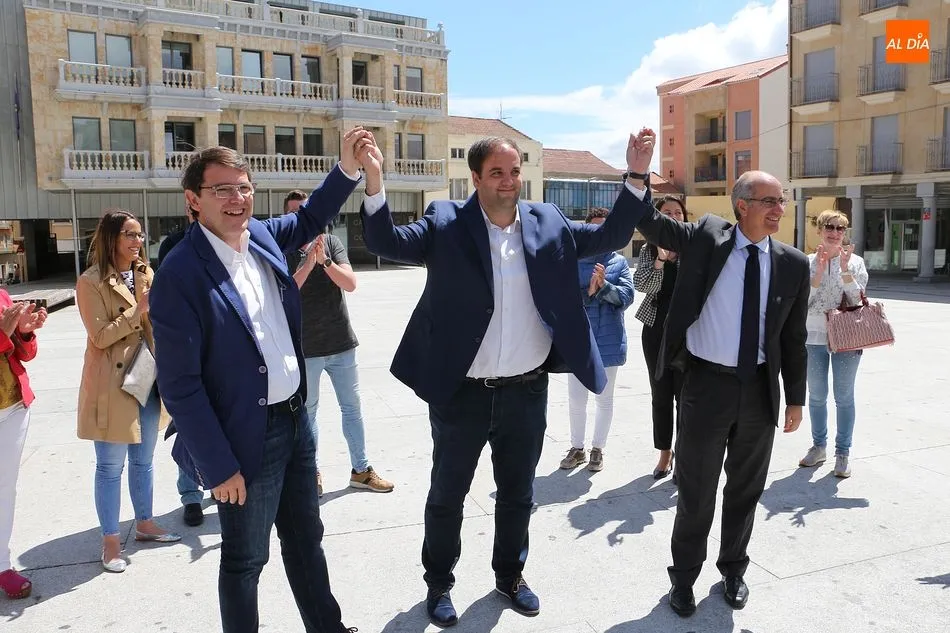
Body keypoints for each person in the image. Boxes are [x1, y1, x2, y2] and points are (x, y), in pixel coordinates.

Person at [358, 129, 656, 627]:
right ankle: (439, 582)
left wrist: (637, 175)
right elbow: (386, 241)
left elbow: (610, 236)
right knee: (447, 496)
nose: (509, 181)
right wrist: (373, 181)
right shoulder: (446, 221)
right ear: (475, 178)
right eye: (497, 172)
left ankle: (510, 576)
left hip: (526, 390)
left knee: (518, 494)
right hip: (462, 395)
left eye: (514, 171)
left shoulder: (548, 220)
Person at [149, 129, 372, 633]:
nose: (237, 199)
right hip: (245, 438)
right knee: (246, 559)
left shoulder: (263, 236)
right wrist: (218, 466)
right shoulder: (180, 274)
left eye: (244, 187)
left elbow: (311, 217)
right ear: (193, 199)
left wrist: (347, 168)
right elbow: (180, 386)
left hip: (296, 420)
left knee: (306, 538)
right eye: (222, 189)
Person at [633, 171, 810, 617]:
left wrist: (795, 398)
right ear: (742, 205)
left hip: (758, 391)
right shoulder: (707, 238)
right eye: (769, 201)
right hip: (705, 387)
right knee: (696, 491)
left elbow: (794, 338)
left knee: (746, 489)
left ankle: (733, 569)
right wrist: (637, 174)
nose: (780, 209)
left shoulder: (792, 263)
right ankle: (683, 578)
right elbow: (653, 224)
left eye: (782, 200)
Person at [77, 209, 181, 574]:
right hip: (113, 384)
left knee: (144, 460)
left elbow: (157, 323)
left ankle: (145, 523)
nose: (139, 242)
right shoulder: (90, 281)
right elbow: (100, 336)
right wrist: (140, 309)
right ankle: (110, 541)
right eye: (130, 235)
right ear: (111, 238)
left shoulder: (145, 273)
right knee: (110, 467)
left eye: (140, 235)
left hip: (147, 377)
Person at [283, 191, 394, 498]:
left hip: (341, 343)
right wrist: (309, 262)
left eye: (304, 211)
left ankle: (361, 470)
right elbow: (286, 293)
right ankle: (311, 472)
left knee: (352, 408)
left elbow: (350, 283)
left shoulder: (331, 243)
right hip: (306, 349)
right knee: (308, 413)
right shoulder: (283, 248)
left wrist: (325, 261)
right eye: (294, 213)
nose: (301, 218)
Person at [559, 207, 635, 473]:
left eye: (605, 228)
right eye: (595, 229)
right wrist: (589, 293)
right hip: (578, 340)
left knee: (604, 398)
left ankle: (597, 449)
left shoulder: (618, 262)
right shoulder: (572, 260)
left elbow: (626, 297)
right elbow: (562, 299)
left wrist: (604, 287)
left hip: (609, 339)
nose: (601, 234)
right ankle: (577, 448)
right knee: (576, 399)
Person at [798, 210, 868, 478]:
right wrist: (818, 272)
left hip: (847, 336)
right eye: (829, 226)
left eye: (841, 228)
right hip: (814, 335)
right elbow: (802, 302)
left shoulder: (856, 262)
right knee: (816, 395)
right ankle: (819, 447)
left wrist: (845, 270)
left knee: (844, 396)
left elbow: (858, 299)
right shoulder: (806, 262)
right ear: (819, 230)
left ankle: (843, 452)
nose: (835, 232)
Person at [156, 207, 207, 527]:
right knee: (188, 423)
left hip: (224, 346)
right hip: (187, 346)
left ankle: (226, 486)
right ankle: (190, 495)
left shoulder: (235, 241)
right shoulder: (173, 245)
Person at [633, 195, 687, 480]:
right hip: (655, 330)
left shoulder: (694, 247)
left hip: (689, 333)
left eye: (678, 212)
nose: (673, 216)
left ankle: (684, 454)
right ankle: (665, 452)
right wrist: (661, 260)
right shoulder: (648, 249)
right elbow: (642, 285)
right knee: (661, 395)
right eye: (667, 212)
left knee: (686, 397)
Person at [0, 294, 47, 598]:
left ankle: (2, 564)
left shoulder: (1, 296)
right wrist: (3, 334)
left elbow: (23, 354)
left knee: (5, 489)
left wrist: (24, 333)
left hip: (13, 407)